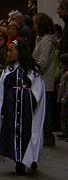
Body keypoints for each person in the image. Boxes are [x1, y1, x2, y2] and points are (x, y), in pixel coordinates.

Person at [0, 40, 45, 175]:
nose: (8, 53)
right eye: (8, 50)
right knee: (13, 134)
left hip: (27, 110)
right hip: (12, 109)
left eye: (11, 50)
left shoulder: (32, 71)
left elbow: (38, 91)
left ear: (20, 52)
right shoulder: (7, 71)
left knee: (27, 133)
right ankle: (18, 161)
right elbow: (2, 93)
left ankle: (30, 158)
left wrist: (28, 96)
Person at [33, 13, 58, 147]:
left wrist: (34, 69)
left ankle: (47, 135)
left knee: (46, 111)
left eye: (36, 24)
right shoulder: (42, 39)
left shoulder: (46, 41)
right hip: (42, 80)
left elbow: (43, 62)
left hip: (45, 81)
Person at [57, 53, 68, 141]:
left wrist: (64, 97)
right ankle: (64, 131)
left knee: (66, 115)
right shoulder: (63, 71)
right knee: (63, 115)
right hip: (62, 96)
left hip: (66, 97)